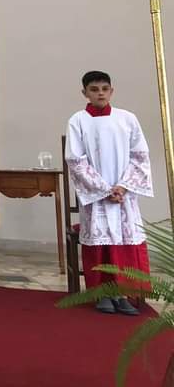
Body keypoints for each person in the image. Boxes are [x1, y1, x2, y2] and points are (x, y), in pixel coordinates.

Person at [65, 70, 152, 315]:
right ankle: (102, 293)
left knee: (124, 241)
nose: (100, 94)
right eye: (94, 90)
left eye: (105, 89)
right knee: (100, 241)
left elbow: (140, 155)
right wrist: (104, 189)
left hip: (124, 194)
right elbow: (75, 160)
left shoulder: (127, 119)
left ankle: (123, 293)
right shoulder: (78, 120)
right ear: (85, 93)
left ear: (111, 91)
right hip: (96, 196)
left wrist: (122, 186)